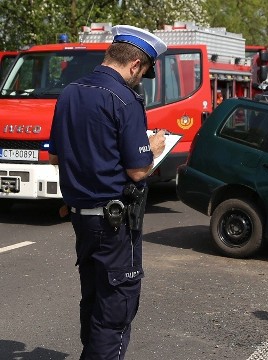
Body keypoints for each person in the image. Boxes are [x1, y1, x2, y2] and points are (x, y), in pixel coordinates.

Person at [48, 25, 167, 359]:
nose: (139, 79)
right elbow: (138, 169)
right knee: (116, 309)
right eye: (142, 73)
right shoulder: (124, 98)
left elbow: (55, 155)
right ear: (135, 66)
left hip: (80, 217)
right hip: (114, 221)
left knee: (94, 298)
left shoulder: (70, 91)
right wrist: (154, 145)